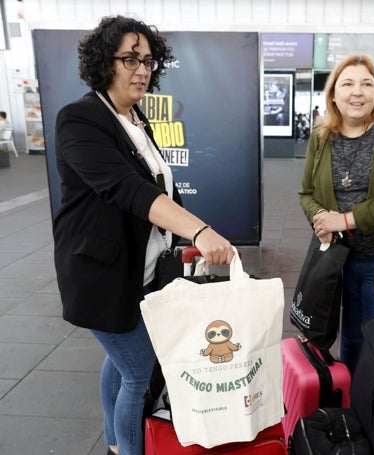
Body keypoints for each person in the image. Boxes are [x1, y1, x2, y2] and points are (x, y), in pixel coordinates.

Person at [53, 16, 235, 455]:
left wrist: (187, 232)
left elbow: (153, 190)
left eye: (148, 60)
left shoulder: (134, 118)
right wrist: (200, 229)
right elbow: (126, 188)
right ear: (103, 63)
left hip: (141, 269)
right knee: (139, 371)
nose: (141, 69)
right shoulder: (79, 119)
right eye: (129, 58)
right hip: (100, 275)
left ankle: (115, 442)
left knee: (120, 365)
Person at [299, 54, 374, 373]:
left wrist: (347, 219)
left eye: (367, 84)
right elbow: (307, 193)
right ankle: (353, 411)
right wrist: (320, 219)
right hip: (336, 260)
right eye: (348, 83)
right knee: (349, 339)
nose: (358, 92)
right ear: (334, 94)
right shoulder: (321, 136)